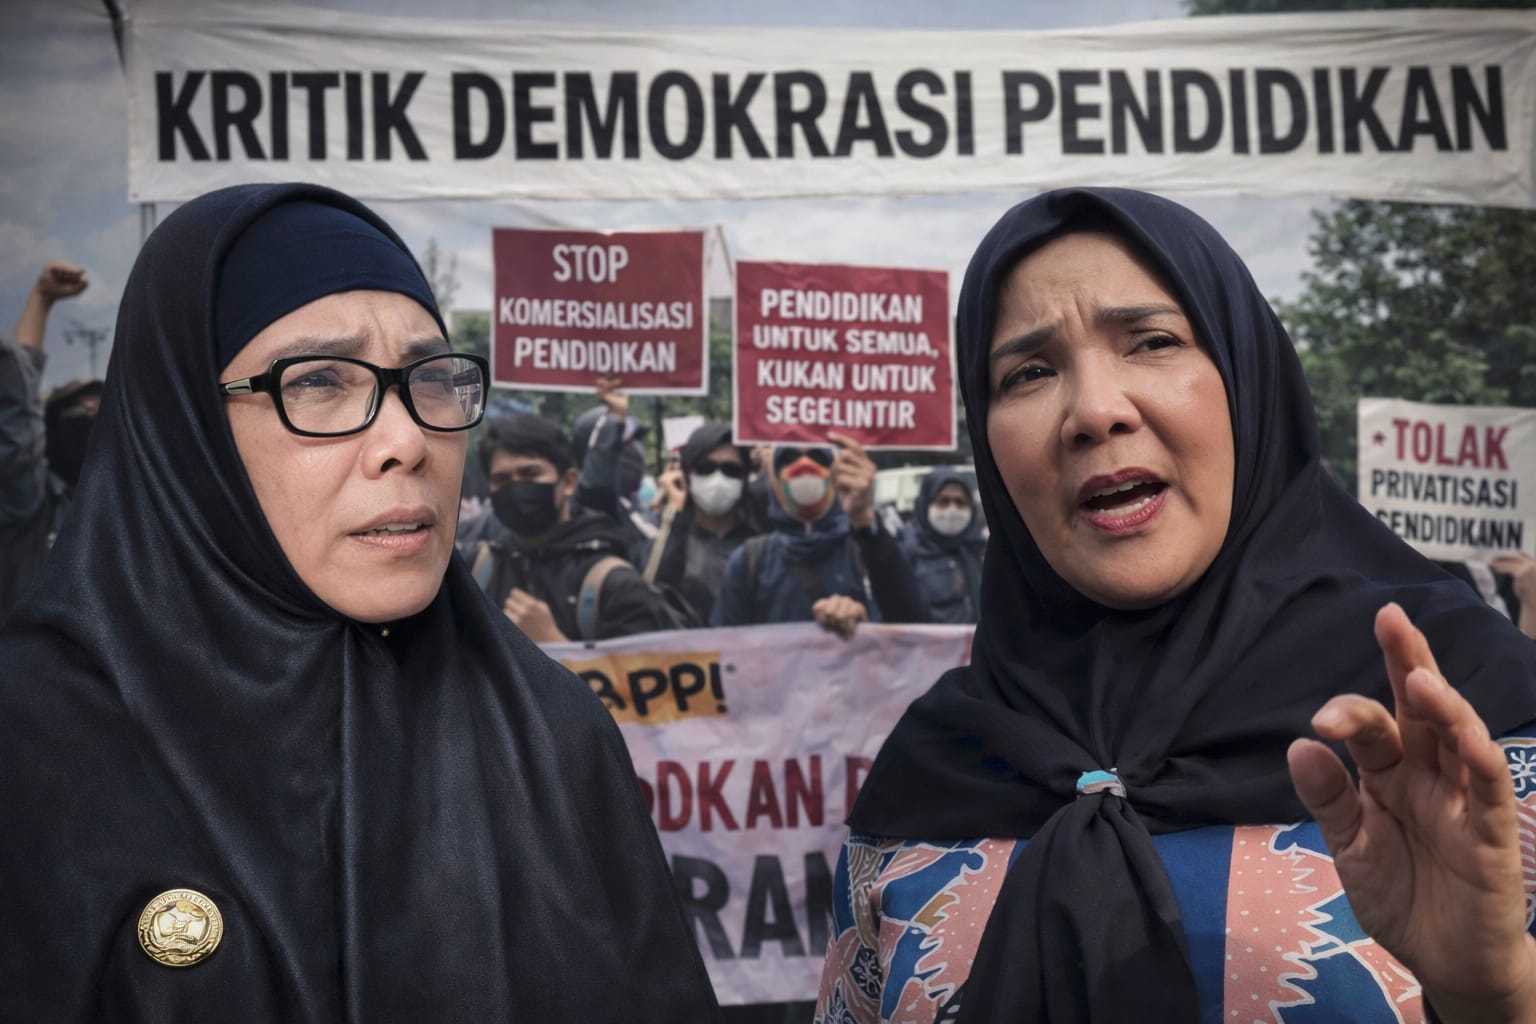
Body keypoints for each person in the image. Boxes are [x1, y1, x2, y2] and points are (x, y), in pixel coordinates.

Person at [815, 188, 1536, 1023]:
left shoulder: (1466, 733)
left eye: (1152, 342)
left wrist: (1493, 998)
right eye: (1029, 373)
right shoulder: (929, 779)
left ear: (1248, 377)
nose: (1094, 411)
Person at [0, 183, 718, 1020]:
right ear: (183, 425)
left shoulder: (553, 733)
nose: (408, 440)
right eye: (318, 382)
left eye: (434, 379)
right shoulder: (33, 746)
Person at [473, 410, 693, 641]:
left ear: (569, 482)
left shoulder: (615, 586)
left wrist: (553, 643)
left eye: (531, 474)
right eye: (502, 479)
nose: (517, 488)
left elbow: (650, 663)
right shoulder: (476, 572)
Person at [713, 433, 928, 637]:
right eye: (789, 458)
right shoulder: (749, 562)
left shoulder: (871, 548)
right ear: (774, 477)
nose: (804, 466)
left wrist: (863, 626)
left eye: (818, 457)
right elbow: (723, 649)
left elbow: (913, 630)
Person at [0, 259, 90, 621]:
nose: (89, 413)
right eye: (77, 409)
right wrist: (40, 300)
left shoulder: (130, 502)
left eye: (98, 408)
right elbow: (16, 415)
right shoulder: (30, 507)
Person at [641, 420, 763, 624]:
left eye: (731, 470)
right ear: (687, 475)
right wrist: (674, 513)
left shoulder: (759, 543)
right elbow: (649, 591)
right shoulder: (668, 533)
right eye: (706, 468)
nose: (718, 479)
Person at [898, 465, 986, 625]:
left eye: (960, 502)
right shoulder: (908, 554)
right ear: (925, 505)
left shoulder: (980, 552)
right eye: (943, 501)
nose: (952, 509)